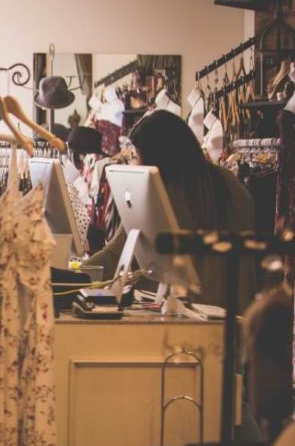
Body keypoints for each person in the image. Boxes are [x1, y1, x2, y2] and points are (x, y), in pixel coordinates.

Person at [84, 109, 257, 309]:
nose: (138, 163)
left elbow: (116, 254)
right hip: (235, 313)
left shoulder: (164, 191)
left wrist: (69, 276)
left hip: (189, 314)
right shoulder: (229, 184)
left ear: (158, 155)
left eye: (139, 156)